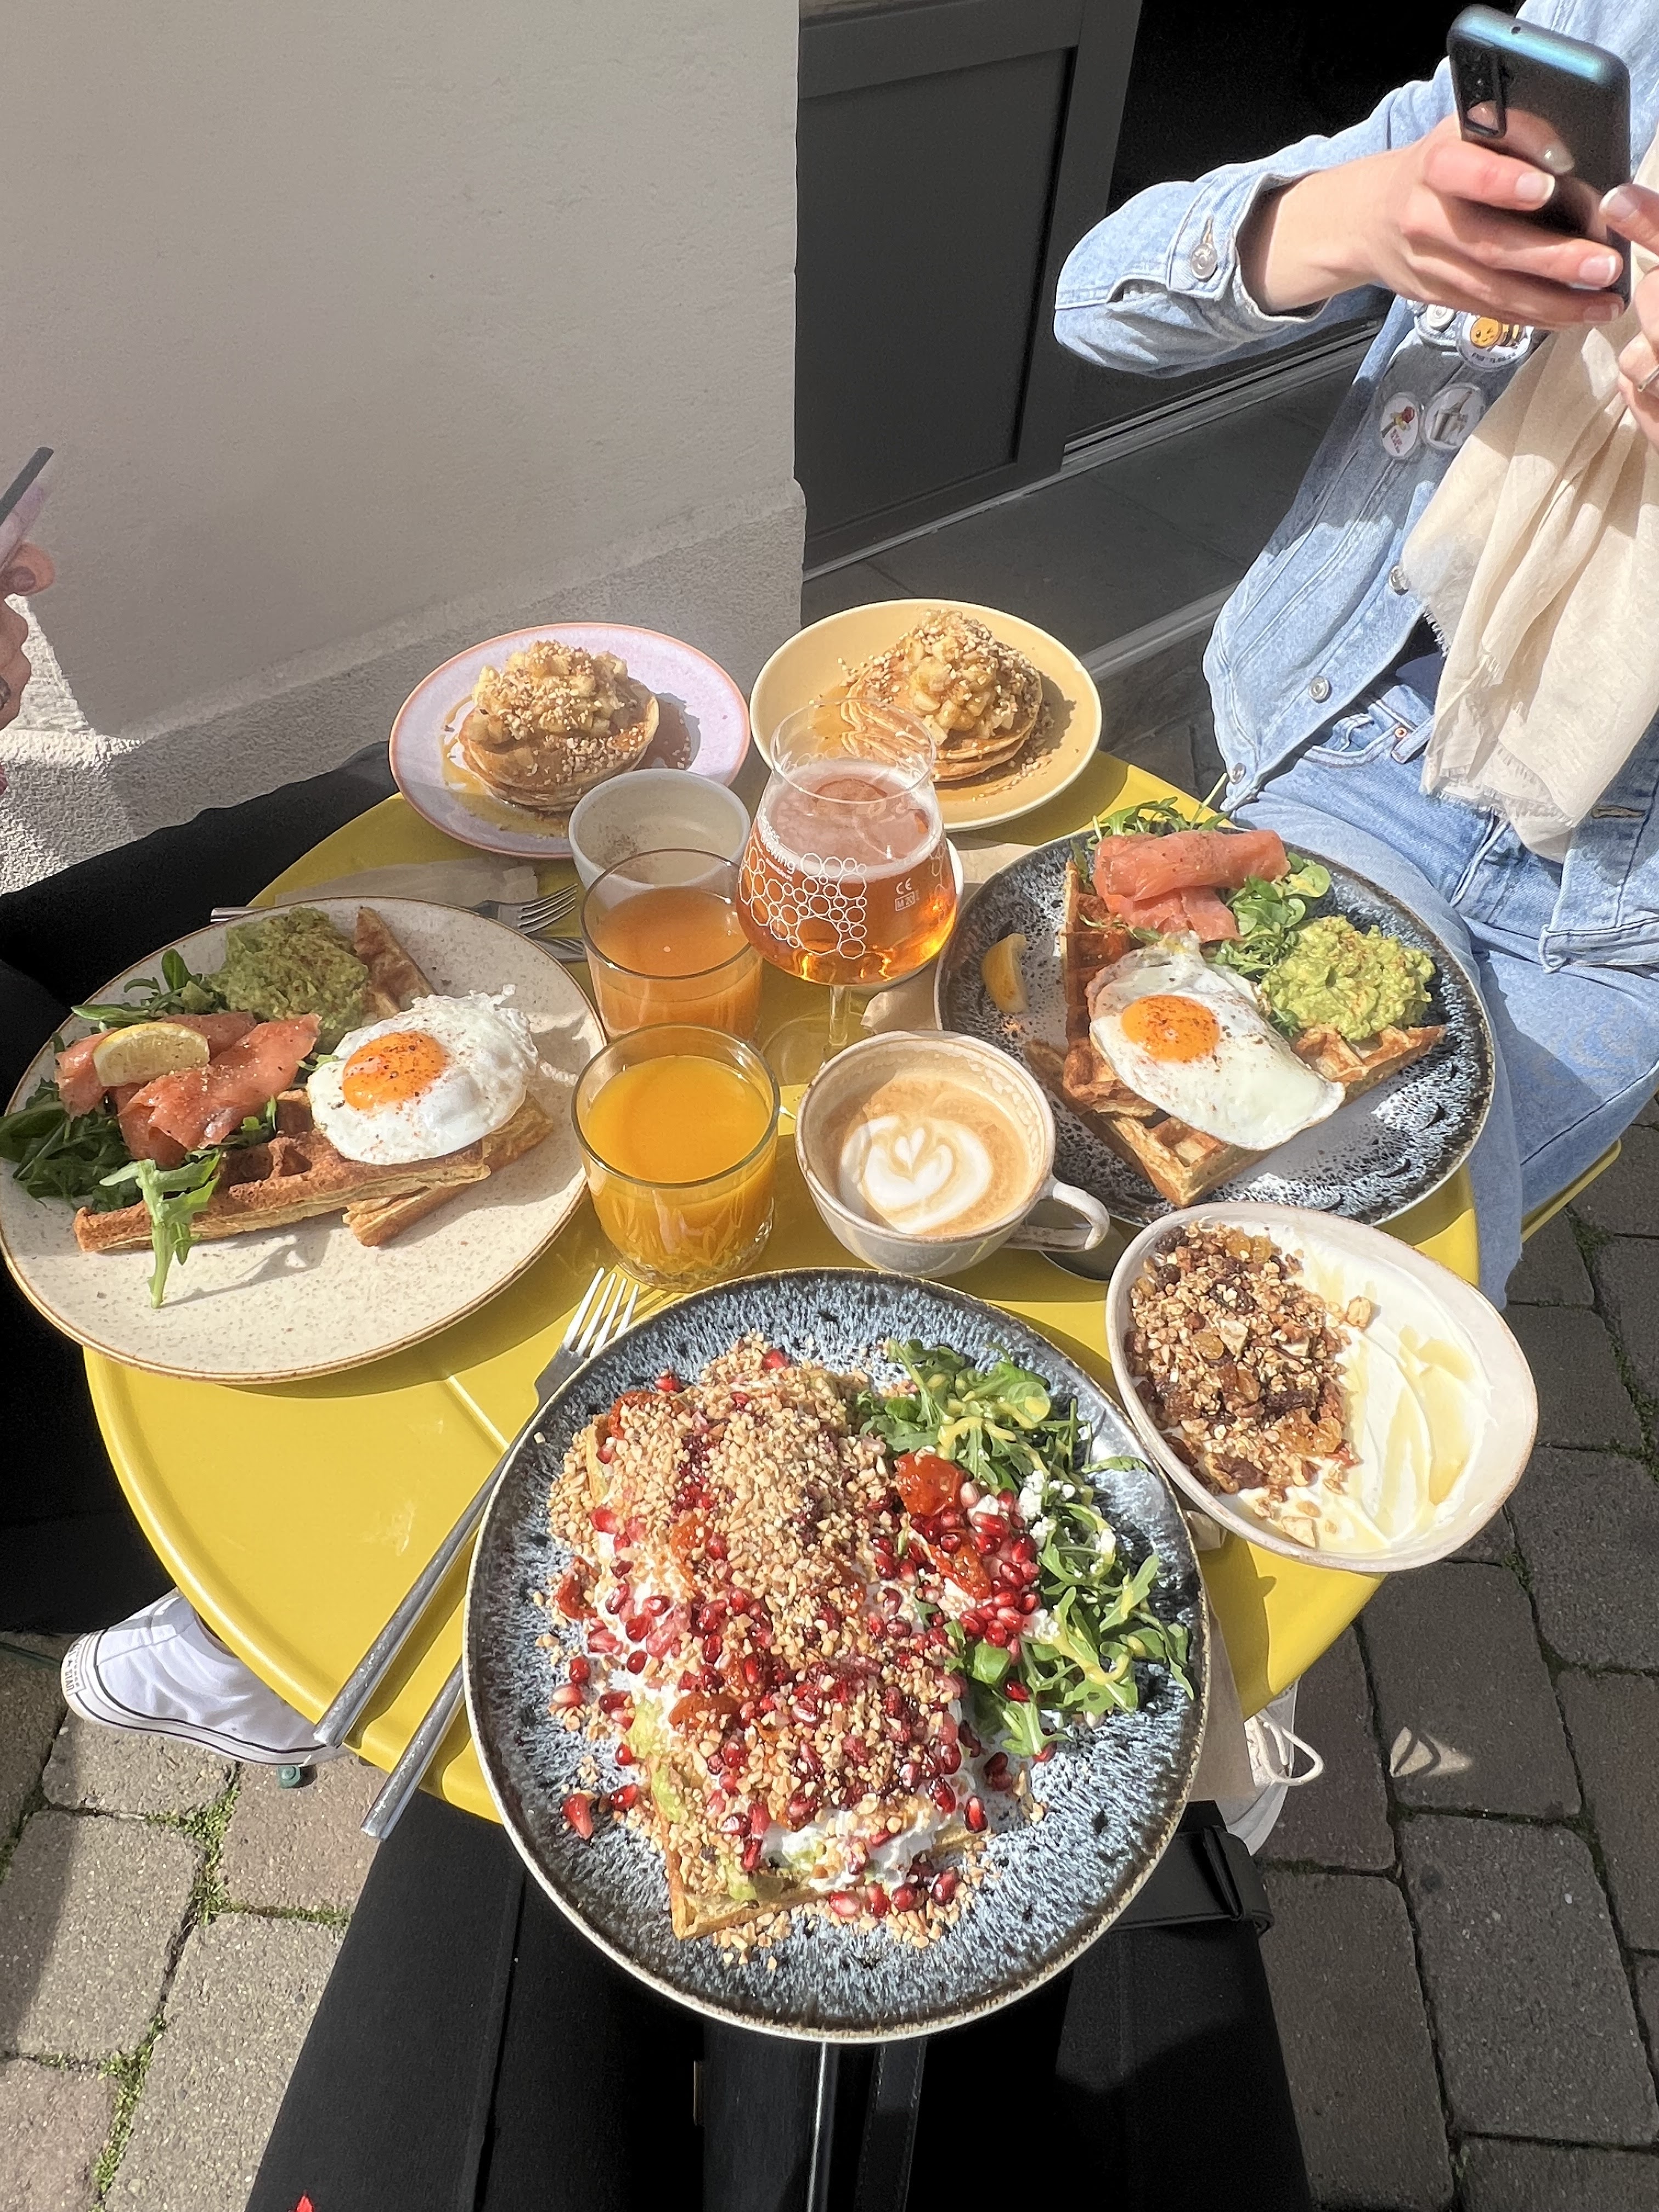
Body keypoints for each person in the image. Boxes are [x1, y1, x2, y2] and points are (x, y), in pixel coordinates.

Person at [1054, 0, 1659, 1301]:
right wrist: (1362, 220)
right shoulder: (1605, 37)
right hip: (1364, 766)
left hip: (1617, 919)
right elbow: (1098, 297)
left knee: (1347, 1306)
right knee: (1162, 1221)